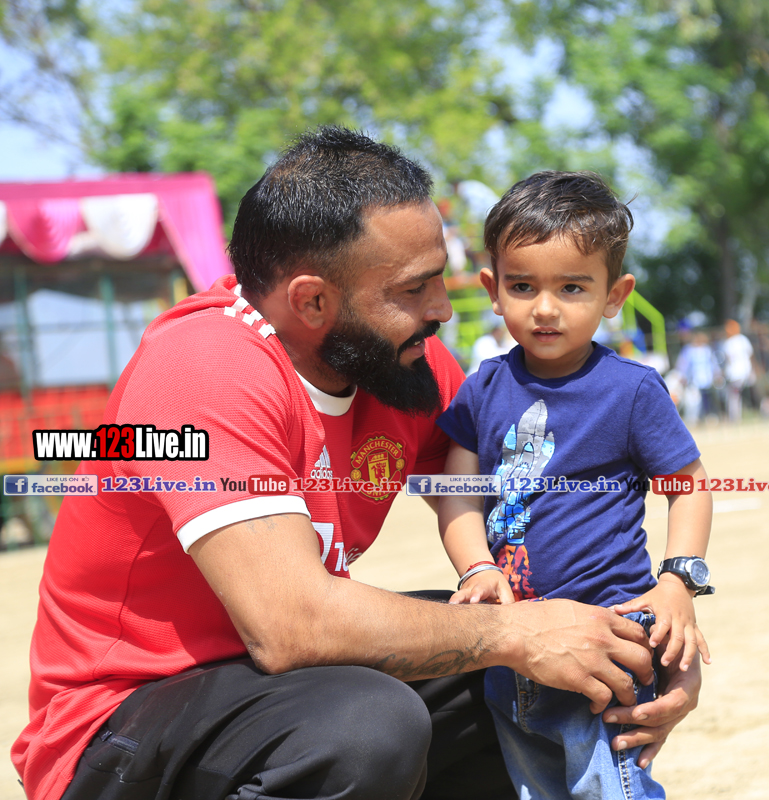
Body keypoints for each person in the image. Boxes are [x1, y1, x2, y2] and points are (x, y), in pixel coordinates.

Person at [12, 129, 699, 800]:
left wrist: (647, 645)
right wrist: (518, 635)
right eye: (414, 289)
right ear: (312, 300)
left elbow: (522, 497)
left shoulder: (405, 362)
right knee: (372, 722)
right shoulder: (202, 364)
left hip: (285, 693)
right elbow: (292, 626)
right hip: (123, 726)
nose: (442, 308)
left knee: (527, 674)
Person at [434, 171, 714, 800]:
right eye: (523, 286)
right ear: (493, 290)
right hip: (514, 644)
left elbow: (689, 486)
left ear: (614, 295)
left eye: (571, 287)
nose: (544, 307)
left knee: (609, 789)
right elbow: (455, 489)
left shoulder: (631, 391)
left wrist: (679, 579)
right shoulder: (482, 389)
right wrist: (476, 566)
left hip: (607, 638)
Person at [719, 319, 755, 422]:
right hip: (740, 372)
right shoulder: (739, 340)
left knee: (734, 396)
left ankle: (735, 417)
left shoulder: (732, 342)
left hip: (738, 373)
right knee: (736, 395)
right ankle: (735, 416)